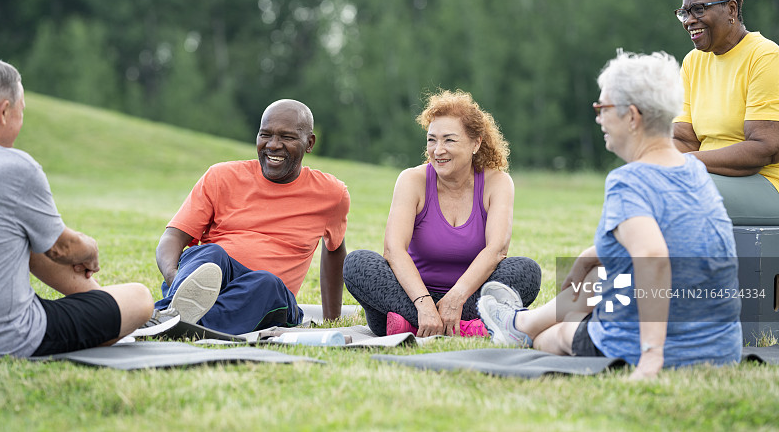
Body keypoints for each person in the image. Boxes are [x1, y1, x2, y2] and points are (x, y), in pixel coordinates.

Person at [478, 50, 742, 379]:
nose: (599, 118)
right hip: (721, 347)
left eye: (602, 108)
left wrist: (651, 357)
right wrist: (593, 255)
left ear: (632, 117)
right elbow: (678, 239)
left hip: (658, 349)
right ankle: (520, 323)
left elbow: (654, 256)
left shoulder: (628, 181)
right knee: (600, 276)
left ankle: (522, 327)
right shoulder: (694, 170)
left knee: (554, 336)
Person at [0, 57, 154, 357]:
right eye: (21, 113)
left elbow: (43, 248)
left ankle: (103, 305)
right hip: (7, 337)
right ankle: (113, 315)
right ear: (4, 111)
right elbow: (62, 249)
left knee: (31, 241)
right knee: (140, 298)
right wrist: (90, 249)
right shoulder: (15, 168)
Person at [343, 90, 541, 338]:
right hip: (409, 298)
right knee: (357, 263)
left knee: (526, 270)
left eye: (449, 140)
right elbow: (394, 250)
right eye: (431, 140)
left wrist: (456, 298)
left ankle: (414, 327)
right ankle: (467, 327)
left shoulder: (497, 182)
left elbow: (497, 250)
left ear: (475, 143)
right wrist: (424, 305)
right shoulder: (411, 180)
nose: (438, 150)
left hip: (468, 297)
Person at [147, 99, 350, 335]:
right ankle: (181, 311)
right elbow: (172, 237)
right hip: (212, 283)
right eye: (266, 135)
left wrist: (332, 319)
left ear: (309, 143)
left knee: (267, 282)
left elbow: (335, 248)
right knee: (211, 254)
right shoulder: (221, 176)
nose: (273, 145)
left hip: (268, 297)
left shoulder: (331, 194)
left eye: (287, 137)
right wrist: (174, 277)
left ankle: (166, 320)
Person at [672, 0, 779, 225]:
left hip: (766, 185)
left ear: (731, 9)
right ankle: (606, 264)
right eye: (685, 12)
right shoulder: (692, 62)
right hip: (705, 177)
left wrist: (685, 164)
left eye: (699, 9)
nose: (689, 20)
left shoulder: (764, 56)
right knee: (636, 181)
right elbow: (684, 139)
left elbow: (762, 149)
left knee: (673, 189)